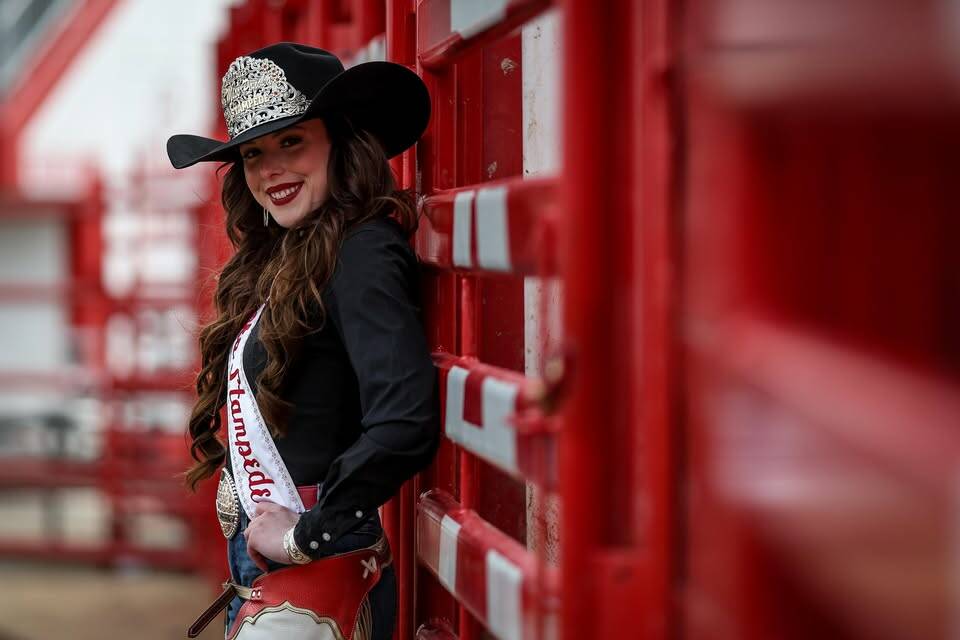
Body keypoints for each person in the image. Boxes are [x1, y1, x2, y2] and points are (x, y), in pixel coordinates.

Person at [166, 43, 438, 640]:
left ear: (341, 141)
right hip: (278, 578)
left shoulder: (361, 252)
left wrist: (308, 532)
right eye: (254, 153)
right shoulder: (293, 256)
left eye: (293, 141)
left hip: (315, 576)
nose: (269, 170)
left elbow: (405, 418)